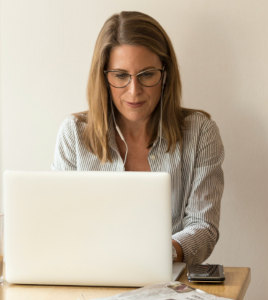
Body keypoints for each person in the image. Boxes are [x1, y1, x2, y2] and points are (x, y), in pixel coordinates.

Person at [51, 11, 224, 266]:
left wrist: (161, 253)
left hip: (167, 281)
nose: (134, 91)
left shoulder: (200, 133)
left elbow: (203, 228)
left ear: (165, 74)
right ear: (104, 77)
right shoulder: (74, 134)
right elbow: (60, 224)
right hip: (90, 277)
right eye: (121, 76)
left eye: (146, 75)